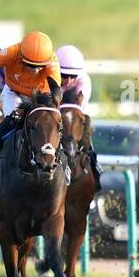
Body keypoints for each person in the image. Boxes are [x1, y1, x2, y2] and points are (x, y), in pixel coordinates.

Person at [0, 31, 61, 189]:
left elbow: (56, 91)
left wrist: (52, 104)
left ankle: (65, 164)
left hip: (41, 97)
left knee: (52, 125)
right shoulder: (12, 52)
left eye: (38, 67)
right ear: (22, 57)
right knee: (12, 122)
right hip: (14, 93)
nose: (34, 70)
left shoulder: (52, 61)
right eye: (29, 65)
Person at [56, 44, 100, 182]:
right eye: (63, 75)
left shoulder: (84, 81)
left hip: (75, 109)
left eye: (72, 76)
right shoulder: (49, 77)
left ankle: (94, 167)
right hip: (56, 110)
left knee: (86, 135)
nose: (68, 81)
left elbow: (79, 107)